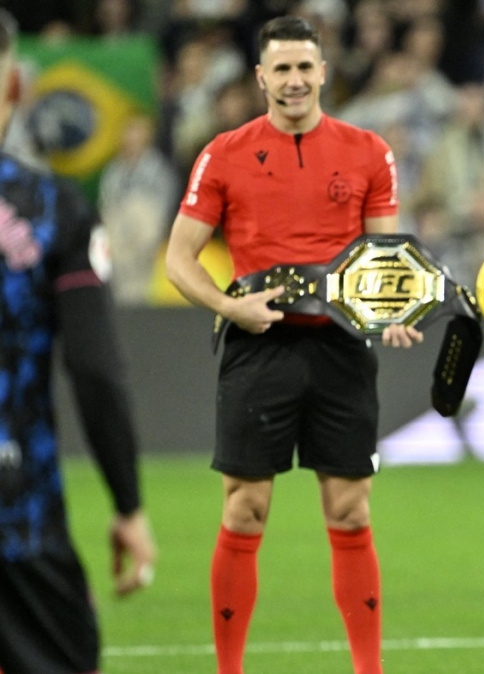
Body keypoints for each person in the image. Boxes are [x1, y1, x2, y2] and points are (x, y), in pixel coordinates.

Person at [163, 16, 421, 674]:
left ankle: (369, 670)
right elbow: (178, 259)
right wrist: (228, 305)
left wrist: (389, 308)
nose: (295, 80)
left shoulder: (368, 151)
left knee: (350, 506)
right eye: (281, 69)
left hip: (340, 345)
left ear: (324, 71)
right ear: (260, 78)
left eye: (306, 67)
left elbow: (383, 256)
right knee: (246, 510)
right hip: (260, 344)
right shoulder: (223, 153)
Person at [0, 9, 157, 674]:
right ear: (14, 87)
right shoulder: (51, 206)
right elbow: (94, 368)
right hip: (19, 521)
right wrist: (127, 504)